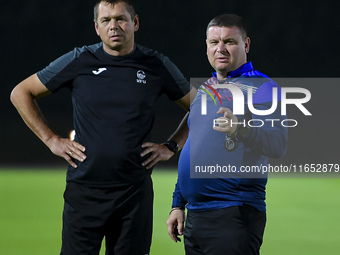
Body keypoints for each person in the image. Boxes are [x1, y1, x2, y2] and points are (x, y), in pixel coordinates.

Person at [10, 0, 195, 254]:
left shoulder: (156, 65)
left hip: (134, 196)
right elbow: (21, 92)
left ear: (135, 23)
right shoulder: (79, 60)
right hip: (84, 193)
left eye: (121, 18)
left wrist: (172, 145)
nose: (114, 26)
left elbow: (201, 107)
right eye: (106, 20)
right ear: (96, 27)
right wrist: (51, 139)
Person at [166, 14, 288, 255]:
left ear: (246, 44)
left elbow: (278, 145)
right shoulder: (206, 89)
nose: (220, 48)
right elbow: (194, 147)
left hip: (235, 213)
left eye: (229, 41)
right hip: (196, 216)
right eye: (214, 42)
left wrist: (239, 129)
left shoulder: (262, 87)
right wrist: (177, 204)